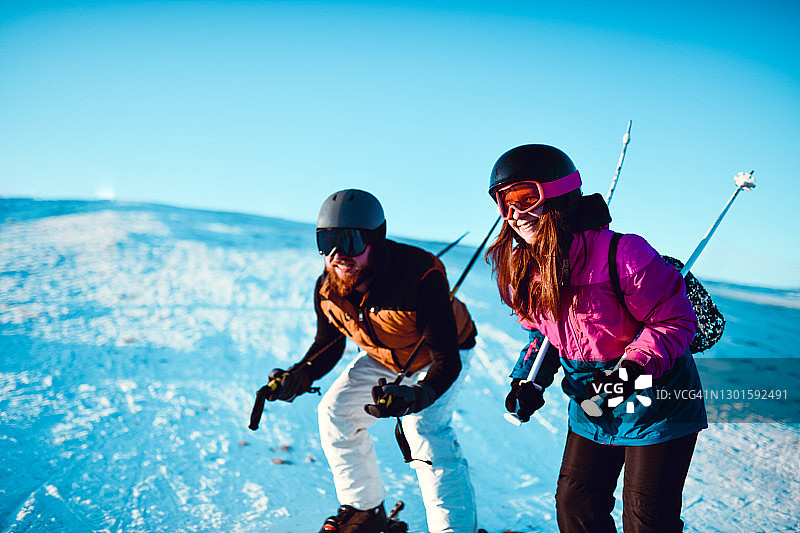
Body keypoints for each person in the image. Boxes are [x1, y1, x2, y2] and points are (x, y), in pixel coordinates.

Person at [485, 145, 707, 532]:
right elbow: (545, 335)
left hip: (657, 402)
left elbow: (673, 322)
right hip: (592, 403)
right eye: (505, 203)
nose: (515, 214)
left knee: (646, 519)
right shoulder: (526, 266)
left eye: (526, 198)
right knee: (576, 508)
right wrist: (528, 379)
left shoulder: (622, 253)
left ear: (557, 194)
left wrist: (629, 374)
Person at [264, 189, 478, 533]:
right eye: (327, 241)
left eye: (349, 241)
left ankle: (454, 529)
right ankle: (364, 512)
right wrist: (300, 374)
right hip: (386, 357)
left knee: (423, 430)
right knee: (335, 411)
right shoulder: (328, 288)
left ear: (375, 241)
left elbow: (446, 360)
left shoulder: (420, 276)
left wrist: (419, 396)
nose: (337, 255)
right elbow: (328, 344)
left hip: (440, 354)